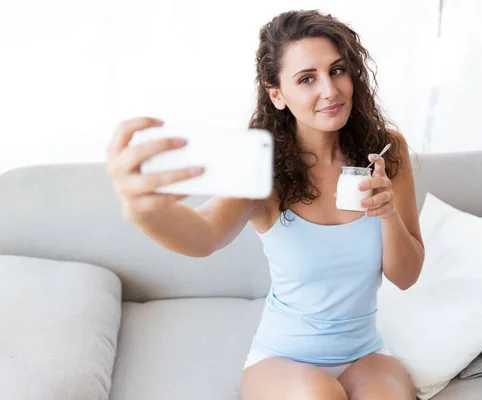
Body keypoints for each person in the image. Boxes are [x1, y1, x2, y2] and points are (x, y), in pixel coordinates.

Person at [106, 9, 424, 400]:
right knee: (321, 395)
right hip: (284, 360)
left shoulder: (387, 151)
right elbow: (203, 235)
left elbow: (406, 277)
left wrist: (388, 214)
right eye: (307, 79)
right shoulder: (265, 170)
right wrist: (145, 210)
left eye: (338, 70)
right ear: (277, 94)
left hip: (365, 354)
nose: (330, 90)